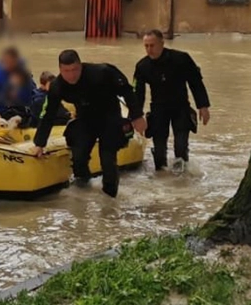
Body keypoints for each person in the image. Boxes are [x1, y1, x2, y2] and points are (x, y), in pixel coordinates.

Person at [29, 50, 141, 198]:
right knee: (79, 156)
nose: (71, 75)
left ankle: (110, 198)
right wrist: (40, 143)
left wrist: (137, 116)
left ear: (80, 66)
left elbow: (127, 90)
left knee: (107, 159)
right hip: (86, 119)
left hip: (109, 116)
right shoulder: (58, 86)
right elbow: (48, 114)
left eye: (74, 70)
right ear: (60, 70)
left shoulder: (101, 72)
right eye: (66, 71)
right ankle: (84, 189)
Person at [132, 29, 210, 173]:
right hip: (158, 108)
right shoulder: (142, 66)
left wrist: (203, 106)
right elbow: (138, 93)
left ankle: (181, 179)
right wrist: (137, 116)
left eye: (152, 45)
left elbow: (196, 83)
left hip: (180, 107)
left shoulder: (181, 59)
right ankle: (162, 180)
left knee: (181, 147)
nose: (149, 50)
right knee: (159, 150)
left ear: (162, 43)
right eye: (146, 46)